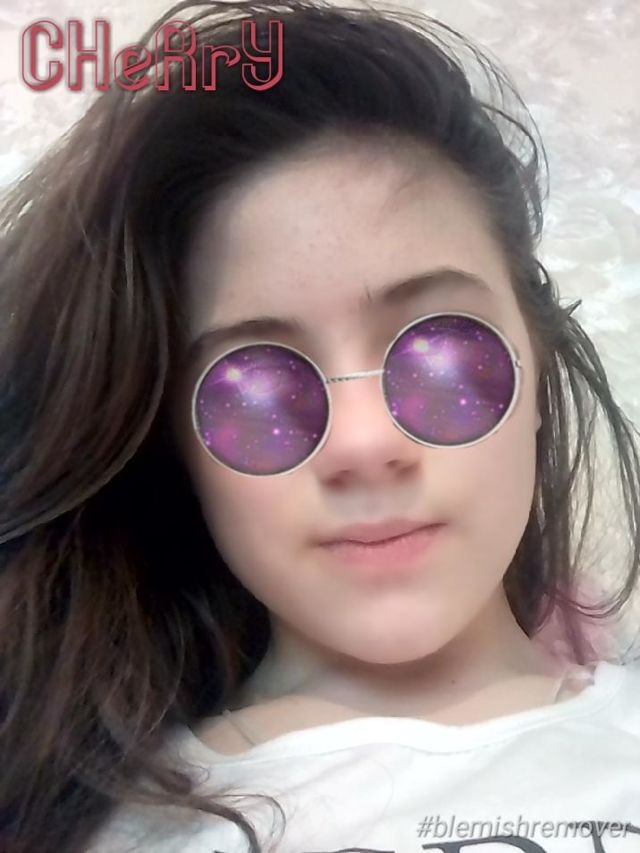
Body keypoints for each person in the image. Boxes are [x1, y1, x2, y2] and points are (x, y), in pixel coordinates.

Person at [1, 0, 639, 850]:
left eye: (442, 354)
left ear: (539, 368)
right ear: (178, 451)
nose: (364, 444)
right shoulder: (113, 829)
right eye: (257, 392)